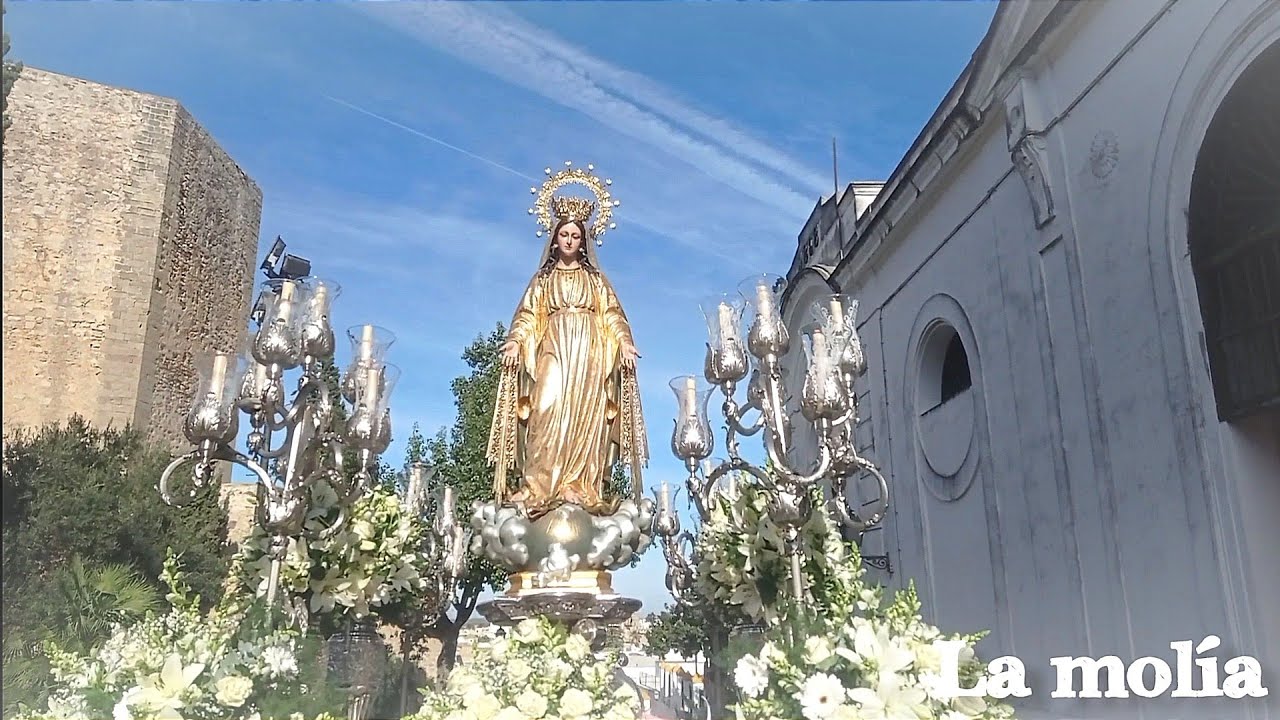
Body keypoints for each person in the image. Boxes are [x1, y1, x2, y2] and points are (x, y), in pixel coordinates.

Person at [487, 179, 647, 519]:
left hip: (589, 355)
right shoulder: (543, 281)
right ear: (555, 239)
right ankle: (537, 487)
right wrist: (515, 341)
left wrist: (624, 343)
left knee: (585, 418)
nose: (570, 240)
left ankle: (580, 485)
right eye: (564, 235)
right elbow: (528, 315)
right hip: (554, 349)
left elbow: (613, 316)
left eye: (576, 235)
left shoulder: (597, 281)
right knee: (546, 408)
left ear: (584, 240)